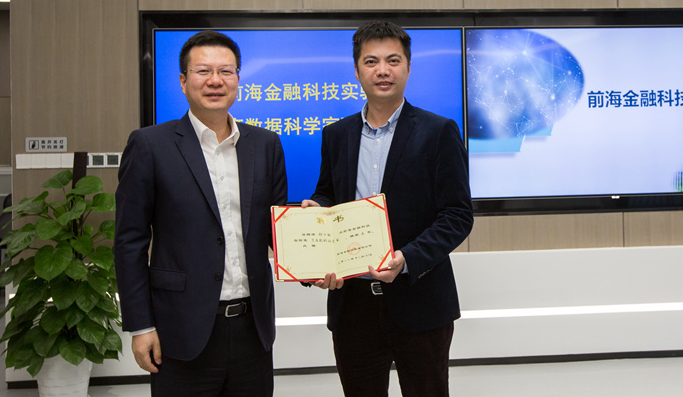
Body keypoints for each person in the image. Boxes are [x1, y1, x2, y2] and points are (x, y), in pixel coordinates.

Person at [302, 20, 474, 397]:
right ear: (357, 70)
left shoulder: (438, 131)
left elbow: (458, 215)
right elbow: (329, 193)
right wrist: (318, 210)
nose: (383, 70)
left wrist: (407, 258)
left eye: (393, 61)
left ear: (408, 67)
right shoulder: (336, 134)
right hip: (353, 305)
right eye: (371, 61)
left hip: (420, 299)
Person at [115, 30, 287, 397]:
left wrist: (312, 248)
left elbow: (278, 229)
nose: (215, 80)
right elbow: (129, 242)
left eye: (225, 71)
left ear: (238, 78)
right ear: (183, 81)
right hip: (180, 328)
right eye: (203, 71)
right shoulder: (150, 145)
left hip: (253, 330)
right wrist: (141, 326)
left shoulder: (265, 144)